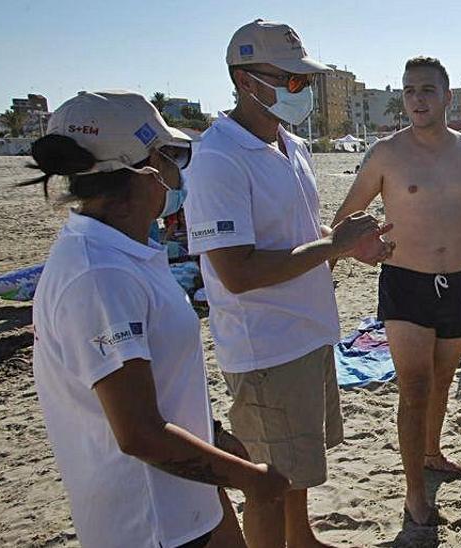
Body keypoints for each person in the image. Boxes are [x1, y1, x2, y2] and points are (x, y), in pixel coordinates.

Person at [26, 90, 290, 548]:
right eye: (171, 156)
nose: (177, 173)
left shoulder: (123, 252)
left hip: (184, 503)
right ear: (143, 170)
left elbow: (161, 380)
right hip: (149, 522)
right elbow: (139, 434)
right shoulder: (99, 275)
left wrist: (216, 439)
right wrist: (250, 479)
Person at [184, 20, 386, 547]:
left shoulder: (290, 146)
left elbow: (300, 232)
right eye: (291, 81)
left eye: (306, 81)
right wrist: (335, 246)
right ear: (245, 80)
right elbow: (237, 270)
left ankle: (303, 538)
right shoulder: (218, 159)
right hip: (266, 346)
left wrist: (345, 244)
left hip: (308, 331)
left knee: (297, 468)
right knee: (268, 481)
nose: (304, 92)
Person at [330, 56, 461, 526]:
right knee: (415, 387)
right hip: (406, 282)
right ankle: (414, 493)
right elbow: (346, 218)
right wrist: (349, 254)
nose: (416, 99)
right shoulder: (386, 153)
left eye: (426, 90)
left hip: (459, 279)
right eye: (409, 91)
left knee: (443, 379)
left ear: (447, 96)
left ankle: (432, 451)